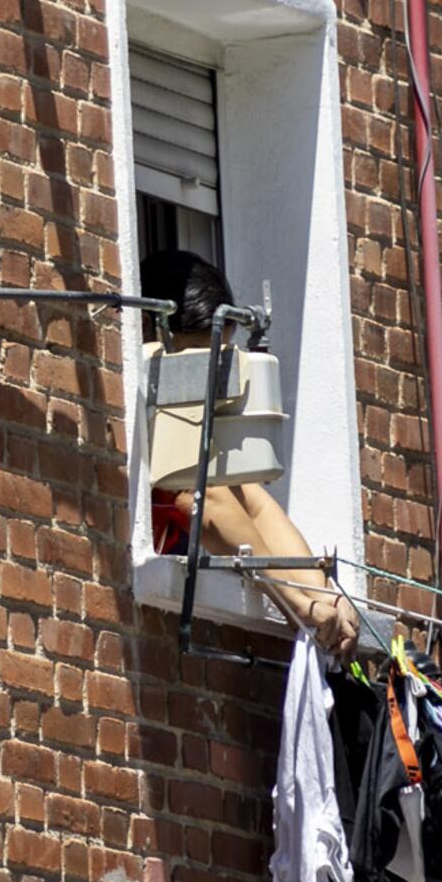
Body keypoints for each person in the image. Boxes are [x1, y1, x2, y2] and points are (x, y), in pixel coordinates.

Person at [141, 247, 360, 661]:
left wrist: (324, 594)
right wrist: (298, 603)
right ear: (152, 333)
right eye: (196, 363)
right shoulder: (149, 410)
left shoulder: (196, 422)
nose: (205, 386)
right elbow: (206, 504)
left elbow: (251, 501)